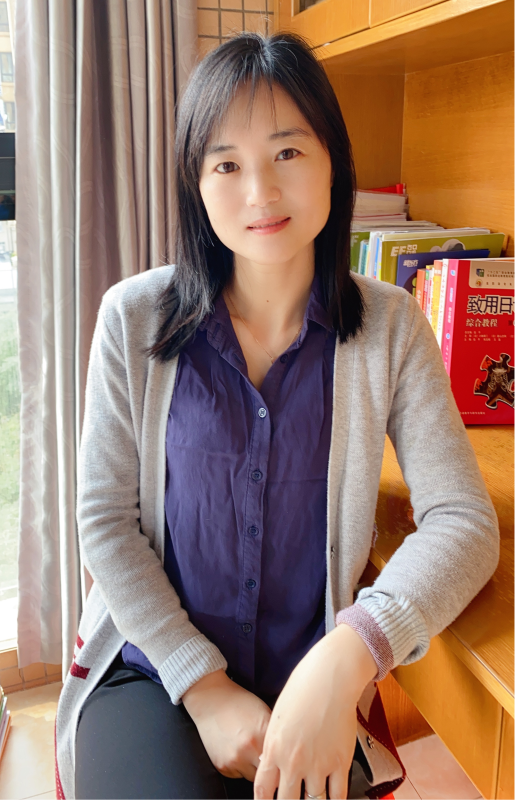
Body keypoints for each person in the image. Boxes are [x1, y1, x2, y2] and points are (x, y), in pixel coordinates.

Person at [55, 32, 499, 800]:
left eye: (287, 152)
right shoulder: (133, 318)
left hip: (311, 683)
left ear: (333, 162)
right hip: (152, 670)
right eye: (226, 164)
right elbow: (104, 520)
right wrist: (205, 689)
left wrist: (349, 655)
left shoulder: (391, 325)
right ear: (195, 183)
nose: (259, 191)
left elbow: (463, 520)